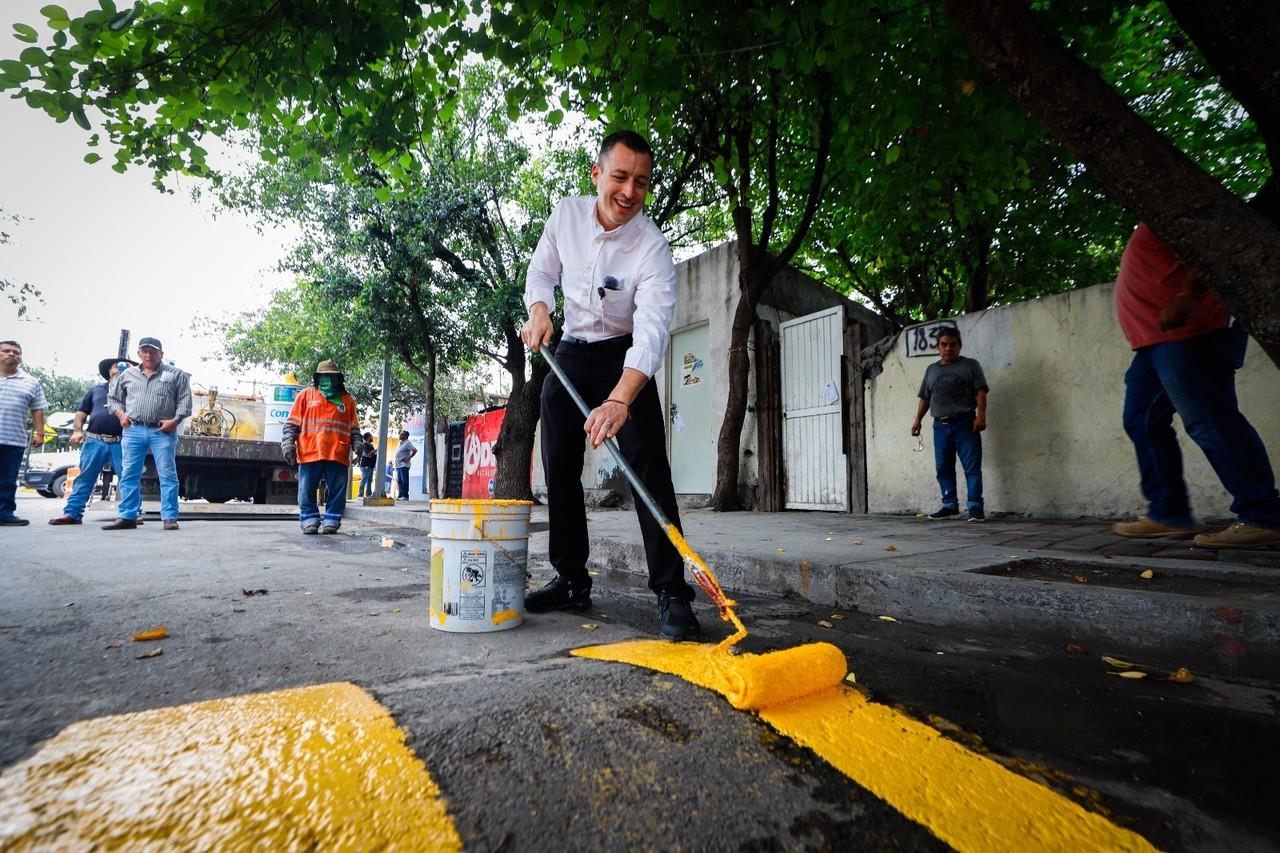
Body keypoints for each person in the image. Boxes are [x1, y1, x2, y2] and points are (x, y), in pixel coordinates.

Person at [520, 129, 700, 641]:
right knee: (558, 463)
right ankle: (572, 578)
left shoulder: (652, 247)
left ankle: (671, 591)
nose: (629, 191)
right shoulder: (566, 217)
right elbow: (540, 273)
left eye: (641, 183)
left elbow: (652, 332)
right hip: (572, 351)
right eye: (619, 177)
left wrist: (622, 398)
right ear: (597, 174)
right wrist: (539, 311)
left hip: (625, 358)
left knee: (648, 468)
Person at [1111, 222, 1280, 548]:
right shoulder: (1149, 212)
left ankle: (1264, 515)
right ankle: (1167, 511)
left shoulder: (1174, 203)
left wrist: (1189, 294)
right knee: (1142, 420)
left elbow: (1212, 243)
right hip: (1153, 341)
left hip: (1189, 333)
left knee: (1210, 421)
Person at [104, 337, 192, 531]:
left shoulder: (176, 375)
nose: (148, 355)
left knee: (167, 474)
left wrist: (174, 422)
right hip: (133, 429)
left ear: (161, 354)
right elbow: (113, 399)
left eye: (152, 351)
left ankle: (169, 517)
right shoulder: (127, 375)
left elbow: (185, 403)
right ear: (138, 354)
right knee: (128, 474)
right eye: (144, 351)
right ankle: (128, 516)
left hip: (162, 432)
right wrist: (121, 416)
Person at [911, 327, 989, 522]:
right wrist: (918, 420)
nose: (948, 348)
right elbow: (925, 397)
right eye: (944, 344)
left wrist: (981, 416)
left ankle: (975, 508)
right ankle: (949, 505)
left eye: (953, 344)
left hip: (966, 424)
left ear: (959, 346)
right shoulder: (931, 370)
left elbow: (981, 391)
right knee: (943, 467)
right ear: (938, 347)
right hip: (940, 427)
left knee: (972, 467)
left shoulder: (971, 366)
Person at [49, 357, 136, 525]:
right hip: (95, 440)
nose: (122, 368)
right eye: (117, 366)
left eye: (127, 366)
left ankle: (131, 514)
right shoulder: (96, 390)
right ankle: (73, 514)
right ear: (109, 371)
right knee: (85, 477)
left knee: (128, 478)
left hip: (123, 441)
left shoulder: (136, 392)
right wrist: (77, 431)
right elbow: (81, 412)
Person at [282, 360, 360, 534]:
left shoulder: (347, 400)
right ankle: (309, 518)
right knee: (306, 489)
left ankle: (332, 518)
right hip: (310, 450)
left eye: (332, 377)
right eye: (325, 376)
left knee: (338, 489)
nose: (329, 380)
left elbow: (354, 427)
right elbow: (291, 424)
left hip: (337, 452)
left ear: (338, 379)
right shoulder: (305, 396)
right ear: (318, 378)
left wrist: (358, 443)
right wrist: (288, 443)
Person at [0, 340, 47, 527]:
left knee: (7, 480)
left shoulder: (31, 382)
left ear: (20, 357)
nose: (11, 354)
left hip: (14, 439)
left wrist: (40, 434)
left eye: (15, 352)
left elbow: (37, 410)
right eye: (6, 351)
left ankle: (4, 514)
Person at [394, 430, 416, 500]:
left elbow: (415, 450)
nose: (400, 436)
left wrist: (408, 458)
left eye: (402, 434)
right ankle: (400, 495)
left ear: (406, 436)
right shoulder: (401, 443)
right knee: (399, 481)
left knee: (404, 481)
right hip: (399, 465)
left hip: (404, 465)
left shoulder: (407, 443)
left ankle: (405, 496)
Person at [357, 432, 377, 497]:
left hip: (370, 466)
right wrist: (377, 449)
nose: (372, 437)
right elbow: (368, 454)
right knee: (364, 481)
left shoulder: (370, 445)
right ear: (368, 437)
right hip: (366, 465)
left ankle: (368, 494)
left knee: (369, 481)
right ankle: (360, 495)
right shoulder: (365, 444)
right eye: (371, 436)